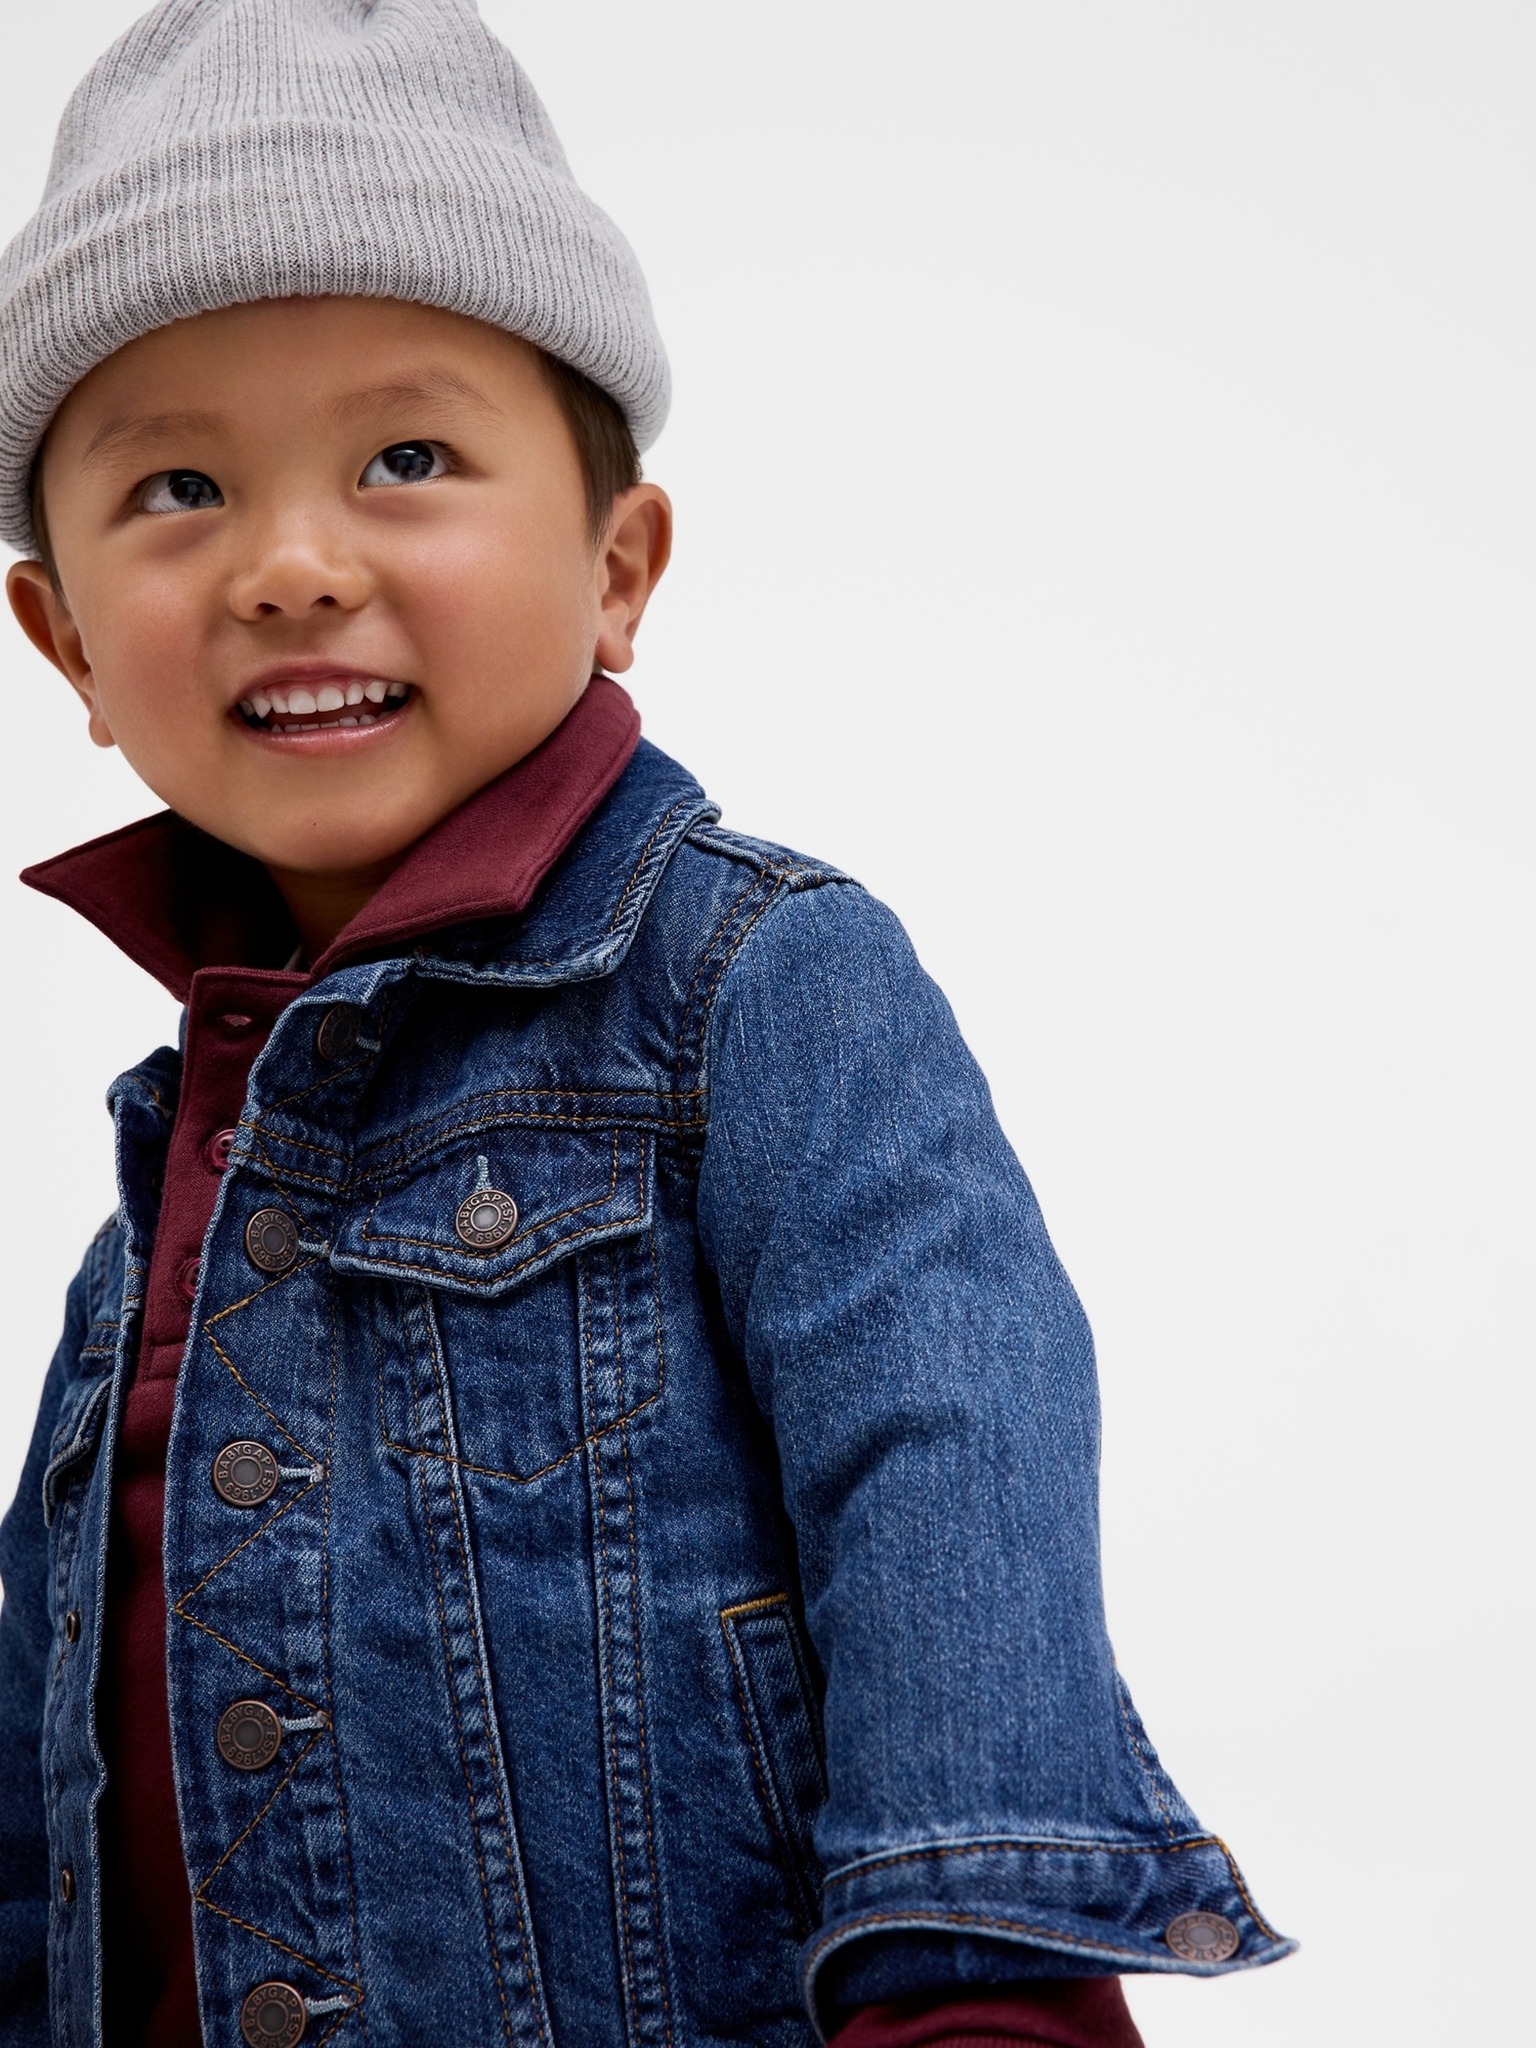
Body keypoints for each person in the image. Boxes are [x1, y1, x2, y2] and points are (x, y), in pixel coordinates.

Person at [0, 4, 1292, 2045]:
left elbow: (946, 1474)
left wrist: (979, 1999)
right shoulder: (175, 1171)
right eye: (179, 483)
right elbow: (56, 1747)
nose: (292, 565)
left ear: (618, 568)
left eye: (406, 459)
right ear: (64, 636)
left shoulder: (754, 984)